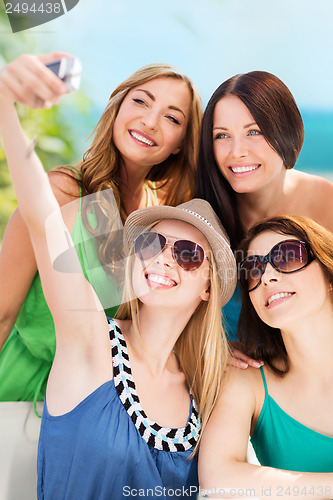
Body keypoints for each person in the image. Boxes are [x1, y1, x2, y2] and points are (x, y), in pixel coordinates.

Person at [0, 84, 237, 497]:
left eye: (186, 253)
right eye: (150, 243)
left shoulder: (207, 388)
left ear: (208, 287)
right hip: (17, 393)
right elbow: (42, 220)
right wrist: (5, 108)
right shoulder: (91, 336)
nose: (163, 258)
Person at [0, 52, 202, 404]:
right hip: (20, 389)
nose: (151, 121)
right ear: (118, 107)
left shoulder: (159, 219)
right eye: (140, 101)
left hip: (99, 402)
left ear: (181, 143)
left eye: (172, 118)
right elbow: (2, 312)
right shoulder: (62, 191)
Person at [199, 215, 333, 499]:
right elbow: (216, 479)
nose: (268, 277)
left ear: (328, 271)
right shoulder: (247, 378)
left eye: (288, 256)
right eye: (254, 270)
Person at [196, 70, 333, 340]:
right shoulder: (199, 216)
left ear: (286, 131)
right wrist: (209, 354)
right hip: (235, 378)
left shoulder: (325, 202)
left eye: (254, 131)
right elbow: (119, 305)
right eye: (222, 136)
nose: (237, 151)